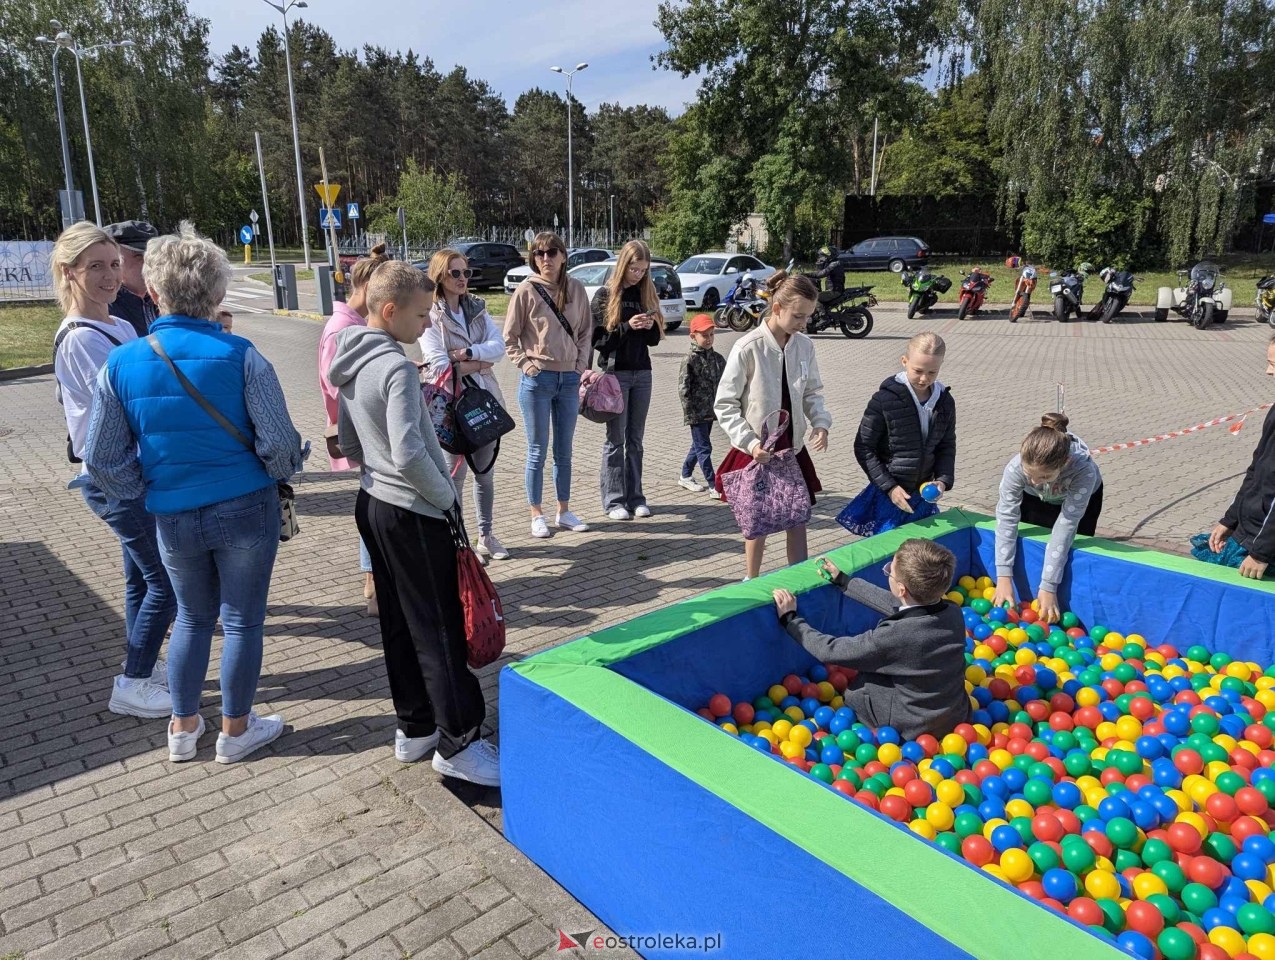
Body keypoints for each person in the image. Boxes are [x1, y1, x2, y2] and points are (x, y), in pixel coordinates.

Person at [83, 221, 306, 764]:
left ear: (153, 292)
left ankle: (183, 730)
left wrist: (146, 488)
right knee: (243, 621)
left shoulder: (121, 363)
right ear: (218, 293)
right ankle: (236, 730)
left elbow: (100, 457)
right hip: (245, 509)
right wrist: (286, 466)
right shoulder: (243, 355)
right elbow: (278, 444)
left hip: (172, 515)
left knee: (190, 617)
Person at [328, 261, 500, 786]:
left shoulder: (350, 361)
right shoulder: (398, 369)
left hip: (373, 504)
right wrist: (446, 494)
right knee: (440, 627)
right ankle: (460, 741)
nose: (427, 325)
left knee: (400, 624)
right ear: (389, 310)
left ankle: (416, 725)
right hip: (414, 510)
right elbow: (408, 452)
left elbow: (352, 443)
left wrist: (383, 470)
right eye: (422, 314)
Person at [51, 222, 175, 720]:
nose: (109, 275)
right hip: (112, 477)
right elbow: (131, 405)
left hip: (133, 471)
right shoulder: (81, 338)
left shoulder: (119, 325)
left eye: (113, 264)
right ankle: (134, 682)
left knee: (140, 580)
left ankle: (141, 663)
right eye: (95, 266)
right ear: (69, 273)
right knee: (166, 581)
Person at [771, 540, 970, 741]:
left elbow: (831, 650)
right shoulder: (952, 611)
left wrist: (791, 620)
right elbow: (900, 605)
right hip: (953, 714)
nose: (887, 573)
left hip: (910, 728)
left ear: (901, 589)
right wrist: (844, 582)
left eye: (889, 571)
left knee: (860, 685)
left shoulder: (893, 635)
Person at [714, 271, 832, 580]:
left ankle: (801, 576)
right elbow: (724, 405)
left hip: (792, 447)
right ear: (777, 308)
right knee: (757, 520)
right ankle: (750, 580)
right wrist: (750, 442)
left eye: (808, 316)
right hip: (758, 450)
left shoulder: (804, 346)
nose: (803, 323)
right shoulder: (747, 347)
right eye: (798, 316)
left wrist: (820, 422)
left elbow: (811, 391)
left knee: (798, 517)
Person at [422, 247, 509, 563]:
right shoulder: (432, 316)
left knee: (484, 474)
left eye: (466, 272)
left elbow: (498, 349)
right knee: (453, 477)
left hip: (484, 403)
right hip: (450, 408)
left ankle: (486, 535)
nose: (462, 279)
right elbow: (439, 365)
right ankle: (460, 543)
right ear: (440, 276)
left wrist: (468, 354)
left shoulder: (477, 308)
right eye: (455, 273)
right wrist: (478, 361)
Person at [503, 231, 592, 539]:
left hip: (568, 379)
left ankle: (563, 510)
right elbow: (509, 337)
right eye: (539, 253)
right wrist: (527, 366)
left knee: (564, 450)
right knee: (537, 450)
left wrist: (579, 366)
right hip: (537, 379)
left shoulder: (577, 289)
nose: (545, 258)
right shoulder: (526, 290)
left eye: (551, 252)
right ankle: (536, 513)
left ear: (563, 256)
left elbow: (585, 333)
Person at [320, 242, 390, 615]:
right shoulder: (342, 329)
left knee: (374, 496)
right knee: (374, 498)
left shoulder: (355, 324)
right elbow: (338, 384)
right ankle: (373, 583)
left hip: (366, 427)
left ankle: (374, 580)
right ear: (367, 287)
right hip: (362, 430)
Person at [991, 413, 1104, 623]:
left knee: (1072, 547)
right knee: (1035, 544)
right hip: (1035, 500)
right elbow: (1006, 519)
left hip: (1078, 498)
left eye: (1043, 476)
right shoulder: (1016, 468)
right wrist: (1004, 577)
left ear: (1065, 462)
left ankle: (1059, 595)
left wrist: (1048, 586)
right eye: (1029, 474)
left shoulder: (1083, 471)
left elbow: (1065, 527)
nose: (1034, 481)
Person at [841, 332, 956, 536]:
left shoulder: (945, 401)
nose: (924, 378)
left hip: (922, 494)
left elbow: (946, 445)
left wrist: (942, 480)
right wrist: (890, 487)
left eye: (932, 372)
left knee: (919, 554)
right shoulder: (884, 400)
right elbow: (864, 447)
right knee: (886, 553)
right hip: (890, 493)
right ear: (904, 361)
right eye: (918, 370)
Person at [591, 240, 663, 520]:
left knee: (636, 440)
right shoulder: (605, 295)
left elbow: (654, 341)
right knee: (615, 440)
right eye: (634, 269)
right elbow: (599, 341)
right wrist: (626, 326)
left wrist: (649, 325)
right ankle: (613, 501)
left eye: (643, 270)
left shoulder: (645, 293)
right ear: (624, 265)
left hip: (642, 373)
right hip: (615, 374)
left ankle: (636, 498)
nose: (638, 275)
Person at [1203, 335, 1275, 579]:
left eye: (1274, 365)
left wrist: (1261, 553)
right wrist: (1231, 520)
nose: (1267, 371)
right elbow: (1256, 470)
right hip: (1251, 534)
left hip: (1264, 549)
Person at [677, 313, 726, 497]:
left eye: (711, 334)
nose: (709, 339)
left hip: (711, 411)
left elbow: (727, 382)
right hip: (697, 412)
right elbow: (683, 388)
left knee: (699, 446)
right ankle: (713, 485)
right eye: (704, 335)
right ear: (693, 336)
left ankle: (685, 475)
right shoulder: (690, 359)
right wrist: (689, 413)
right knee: (704, 447)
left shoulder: (717, 359)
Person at [105, 220, 159, 337]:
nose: (148, 263)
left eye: (152, 256)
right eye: (139, 256)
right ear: (115, 259)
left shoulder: (170, 299)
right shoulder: (105, 307)